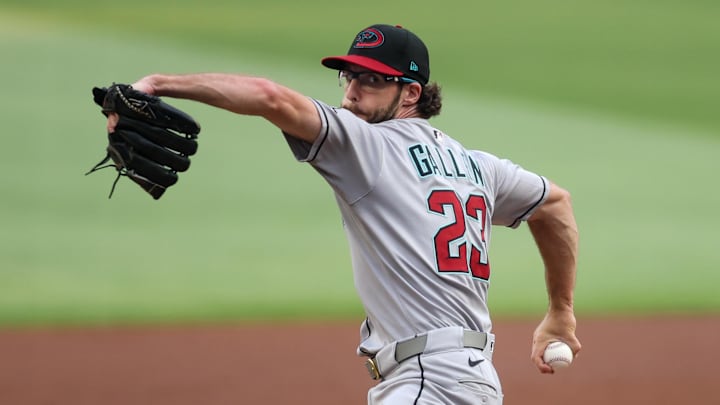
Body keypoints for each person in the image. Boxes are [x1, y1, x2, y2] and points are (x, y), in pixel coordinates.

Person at [107, 23, 580, 404]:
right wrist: (561, 312)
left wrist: (157, 84)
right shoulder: (479, 168)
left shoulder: (365, 145)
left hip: (427, 383)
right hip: (472, 381)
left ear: (411, 94)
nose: (353, 91)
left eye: (372, 80)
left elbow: (272, 98)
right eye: (350, 76)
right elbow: (554, 203)